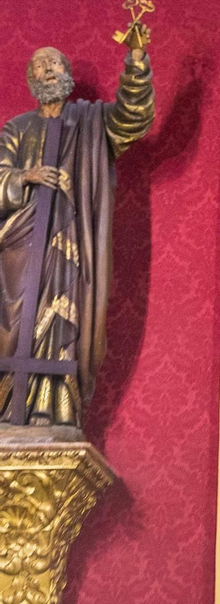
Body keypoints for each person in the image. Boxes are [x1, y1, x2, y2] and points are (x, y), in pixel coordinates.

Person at [0, 35, 154, 425]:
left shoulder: (93, 121)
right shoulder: (16, 129)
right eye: (40, 64)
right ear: (31, 77)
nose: (49, 68)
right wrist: (25, 175)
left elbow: (132, 118)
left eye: (55, 62)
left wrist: (135, 62)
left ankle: (53, 409)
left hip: (73, 237)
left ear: (66, 74)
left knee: (66, 319)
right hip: (22, 247)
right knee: (18, 324)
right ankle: (9, 407)